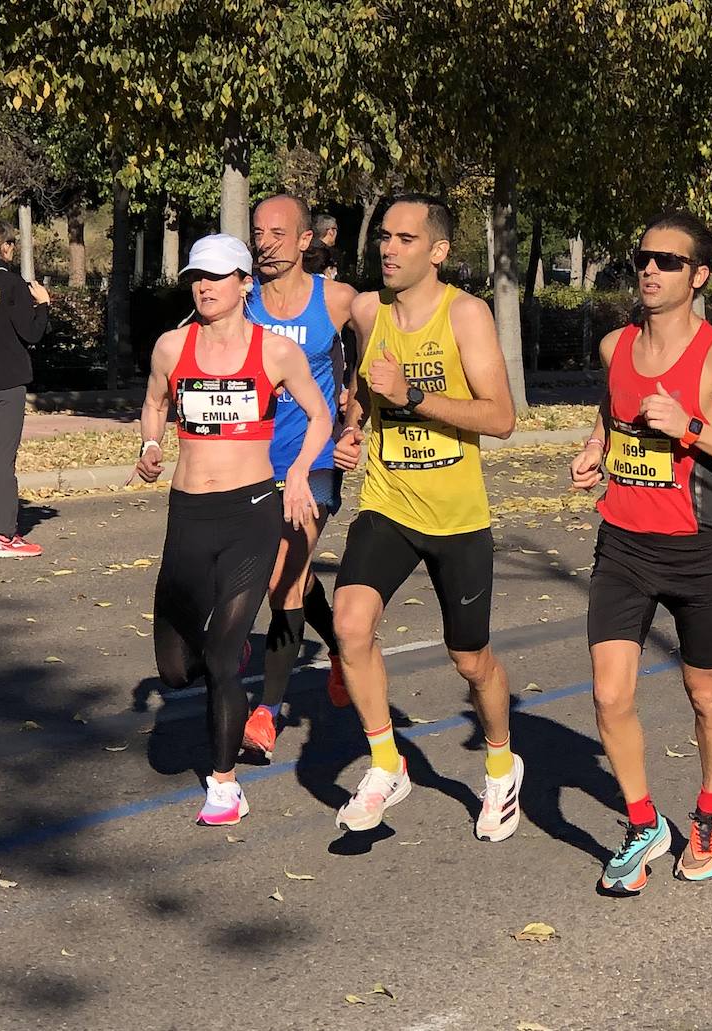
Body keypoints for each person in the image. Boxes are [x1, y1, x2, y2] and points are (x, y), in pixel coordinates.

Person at [570, 210, 712, 892]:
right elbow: (613, 409)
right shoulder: (615, 346)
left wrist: (690, 426)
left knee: (704, 692)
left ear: (699, 276)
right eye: (643, 258)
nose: (651, 270)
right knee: (608, 693)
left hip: (696, 549)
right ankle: (641, 823)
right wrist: (594, 448)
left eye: (667, 261)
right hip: (623, 542)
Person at [331, 195, 523, 842]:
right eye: (384, 236)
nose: (388, 248)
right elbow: (360, 384)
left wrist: (414, 395)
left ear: (438, 250)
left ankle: (501, 765)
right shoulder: (367, 310)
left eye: (406, 239)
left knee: (471, 660)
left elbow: (500, 418)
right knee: (349, 625)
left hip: (458, 516)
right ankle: (388, 763)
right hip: (388, 502)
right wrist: (352, 427)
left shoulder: (466, 315)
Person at [131, 234, 331, 825]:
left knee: (221, 659)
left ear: (246, 284)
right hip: (188, 513)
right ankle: (226, 651)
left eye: (218, 277)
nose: (205, 286)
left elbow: (320, 414)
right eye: (198, 275)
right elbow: (153, 403)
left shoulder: (274, 353)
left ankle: (224, 785)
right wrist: (148, 443)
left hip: (252, 513)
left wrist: (297, 473)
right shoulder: (172, 346)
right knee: (174, 668)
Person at [240, 195, 358, 760]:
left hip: (312, 463)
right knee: (294, 573)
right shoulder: (242, 301)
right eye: (258, 231)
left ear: (306, 240)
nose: (265, 242)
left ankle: (267, 711)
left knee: (282, 578)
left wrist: (355, 421)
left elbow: (381, 358)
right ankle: (336, 645)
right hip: (251, 463)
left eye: (278, 233)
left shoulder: (335, 301)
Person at [0, 220, 50, 558]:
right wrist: (44, 304)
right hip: (7, 383)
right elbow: (32, 334)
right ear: (6, 247)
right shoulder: (11, 284)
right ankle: (4, 536)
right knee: (3, 459)